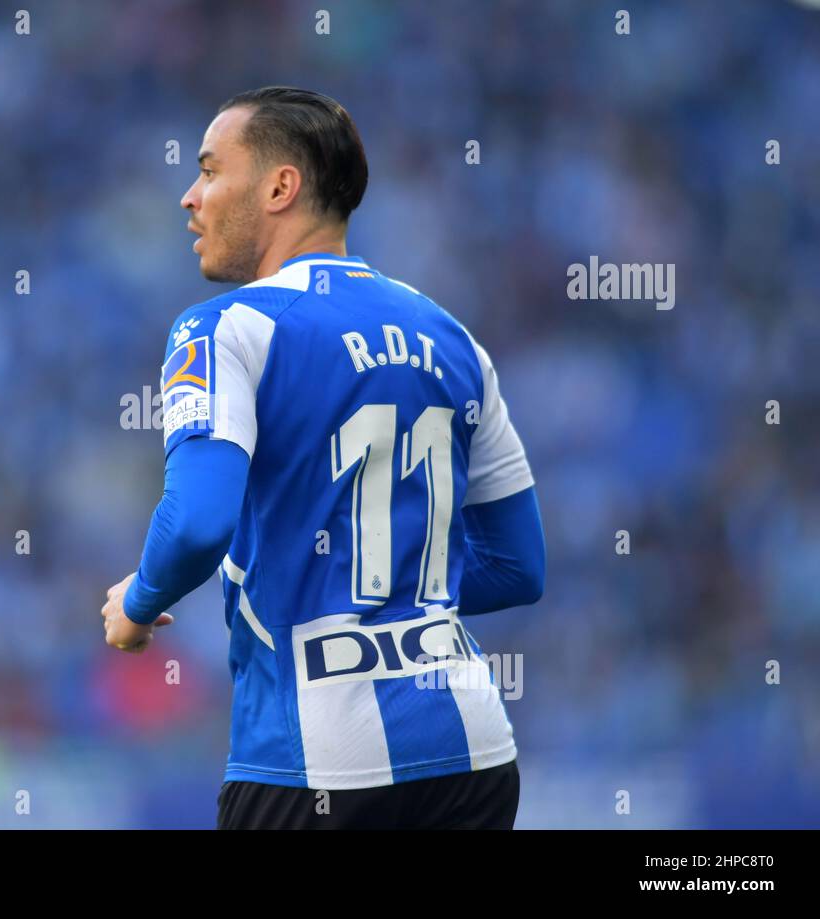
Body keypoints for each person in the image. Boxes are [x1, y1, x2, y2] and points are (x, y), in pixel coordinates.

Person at [99, 86, 545, 830]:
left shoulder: (224, 328)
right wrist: (395, 595)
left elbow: (197, 524)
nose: (189, 196)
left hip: (317, 765)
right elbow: (519, 567)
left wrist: (138, 605)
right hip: (474, 753)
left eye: (209, 170)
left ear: (280, 187)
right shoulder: (452, 337)